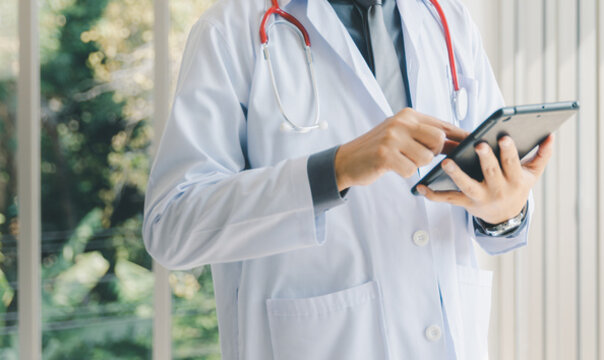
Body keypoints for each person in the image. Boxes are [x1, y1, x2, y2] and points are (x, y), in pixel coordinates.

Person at [142, 0, 553, 358]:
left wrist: (504, 211)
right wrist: (334, 170)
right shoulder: (230, 28)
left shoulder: (447, 18)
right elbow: (171, 226)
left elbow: (494, 207)